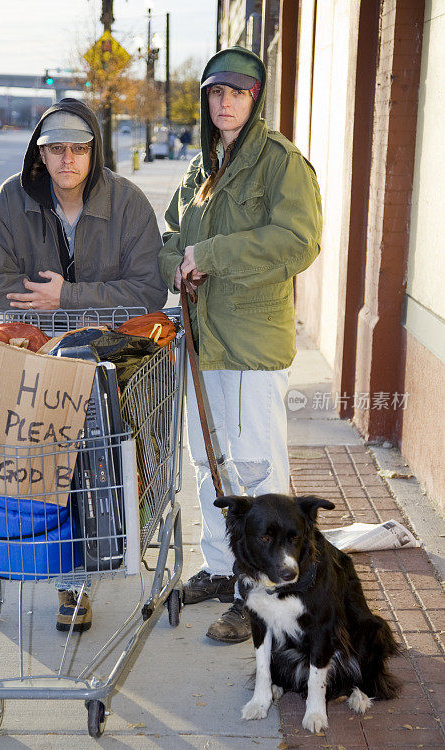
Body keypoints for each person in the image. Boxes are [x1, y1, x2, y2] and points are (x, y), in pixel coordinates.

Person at [0, 97, 167, 633]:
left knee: (96, 453)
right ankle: (58, 571)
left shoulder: (128, 205)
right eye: (55, 149)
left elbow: (149, 289)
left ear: (94, 151)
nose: (67, 160)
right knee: (41, 458)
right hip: (33, 359)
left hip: (108, 358)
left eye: (78, 149)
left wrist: (70, 298)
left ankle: (82, 573)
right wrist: (44, 311)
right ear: (39, 154)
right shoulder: (9, 203)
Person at [159, 47, 322, 643]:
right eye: (215, 92)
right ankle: (224, 566)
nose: (224, 102)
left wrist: (212, 257)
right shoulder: (201, 169)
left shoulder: (281, 164)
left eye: (237, 92)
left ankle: (265, 589)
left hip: (252, 341)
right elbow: (171, 236)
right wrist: (178, 265)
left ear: (256, 99)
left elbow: (297, 242)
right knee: (210, 461)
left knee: (258, 466)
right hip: (205, 343)